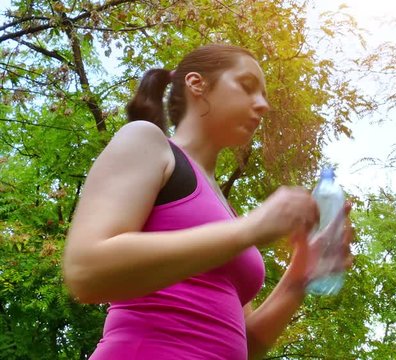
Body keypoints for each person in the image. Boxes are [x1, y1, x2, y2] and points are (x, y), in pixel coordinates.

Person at [62, 43, 353, 359]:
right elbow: (85, 271)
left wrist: (300, 276)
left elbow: (246, 344)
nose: (263, 105)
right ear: (196, 84)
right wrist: (249, 229)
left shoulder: (225, 211)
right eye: (247, 86)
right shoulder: (147, 141)